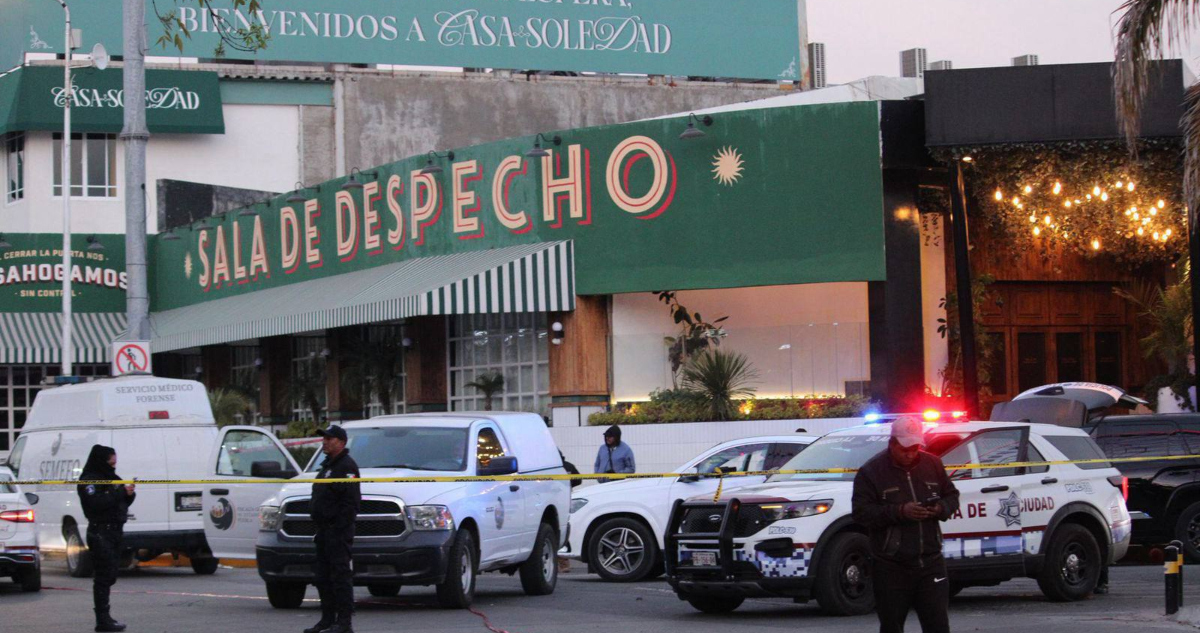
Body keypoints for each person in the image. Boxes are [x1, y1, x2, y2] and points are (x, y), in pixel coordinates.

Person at [852, 417, 960, 633]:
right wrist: (900, 511)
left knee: (938, 626)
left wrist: (940, 508)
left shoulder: (933, 464)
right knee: (892, 626)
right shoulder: (871, 472)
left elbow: (952, 496)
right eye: (905, 449)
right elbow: (862, 513)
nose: (911, 454)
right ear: (892, 443)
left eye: (916, 447)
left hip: (931, 563)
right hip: (891, 566)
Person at [306, 425, 361, 633]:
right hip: (323, 531)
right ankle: (327, 619)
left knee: (340, 576)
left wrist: (338, 528)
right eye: (324, 438)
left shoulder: (346, 467)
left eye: (330, 438)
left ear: (342, 442)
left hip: (337, 532)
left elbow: (351, 503)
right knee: (322, 577)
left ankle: (344, 623)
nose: (325, 441)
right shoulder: (328, 466)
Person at [77, 445, 135, 633]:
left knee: (110, 575)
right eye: (111, 461)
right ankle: (102, 620)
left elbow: (119, 501)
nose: (113, 464)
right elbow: (96, 504)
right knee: (103, 577)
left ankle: (105, 617)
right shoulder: (89, 481)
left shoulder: (112, 478)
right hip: (100, 532)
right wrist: (119, 493)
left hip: (115, 531)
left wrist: (129, 494)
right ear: (101, 460)